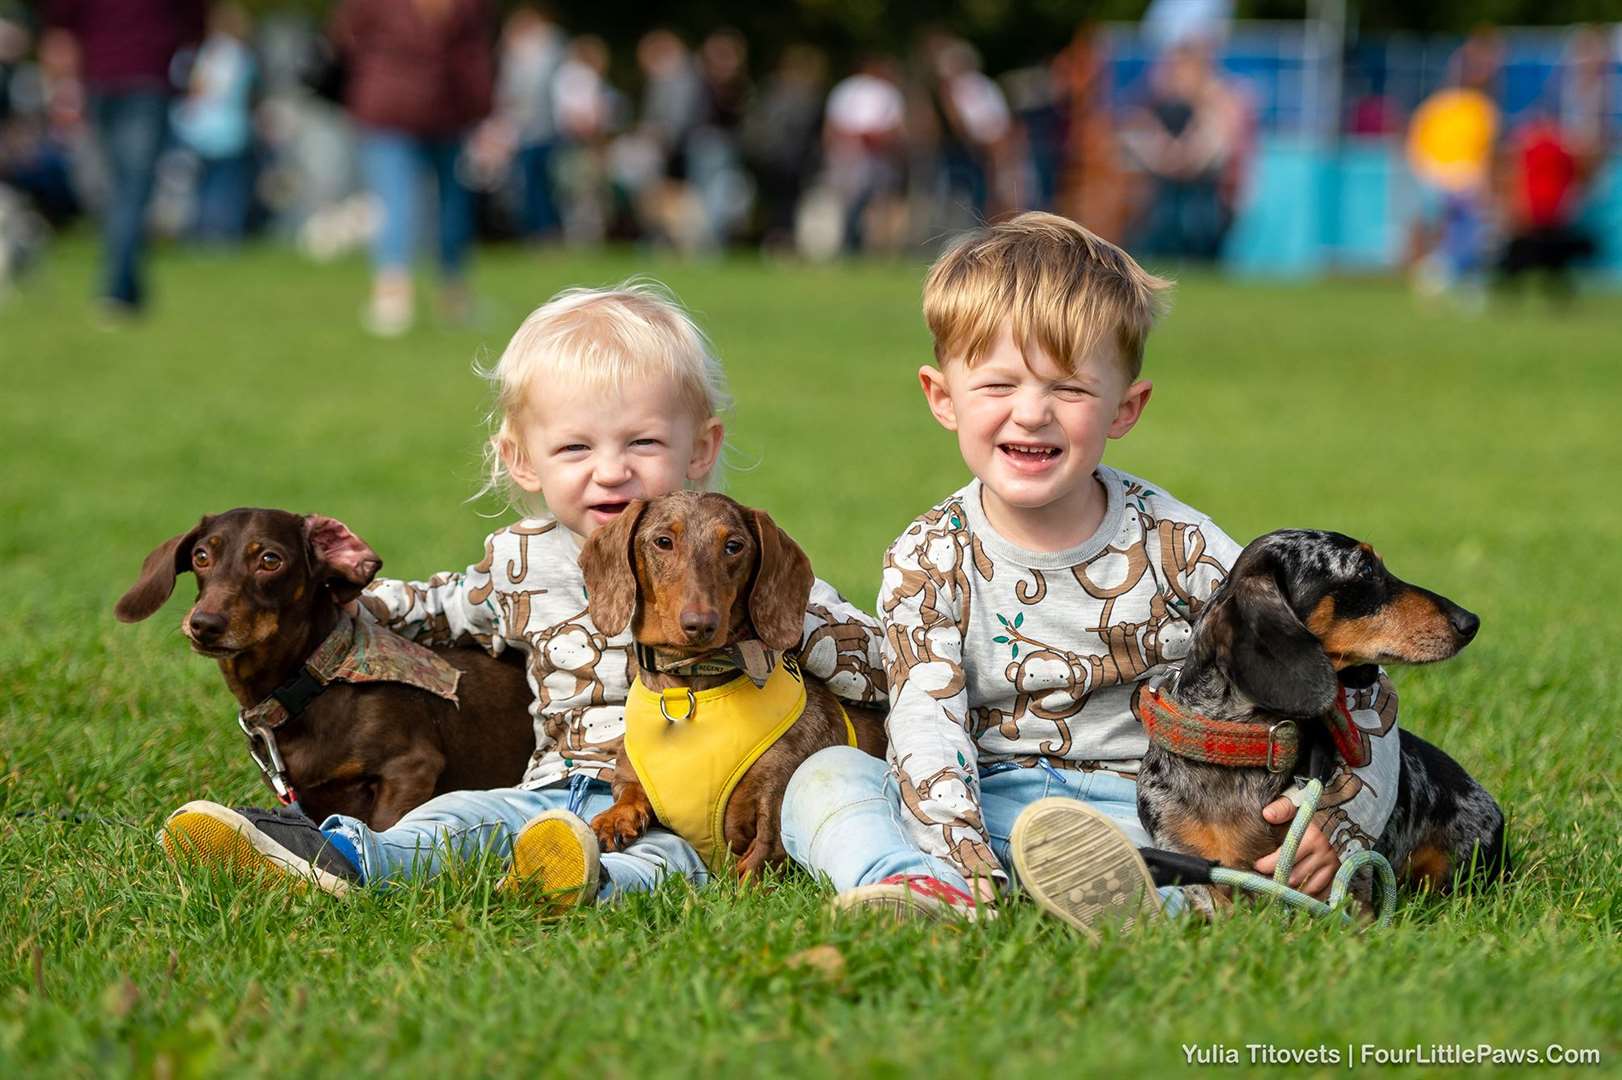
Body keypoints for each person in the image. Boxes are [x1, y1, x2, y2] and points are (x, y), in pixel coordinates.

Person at [160, 282, 887, 909]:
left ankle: (584, 882)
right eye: (576, 449)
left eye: (642, 444)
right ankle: (343, 859)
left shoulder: (730, 565)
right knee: (467, 818)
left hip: (675, 806)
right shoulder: (520, 560)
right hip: (552, 783)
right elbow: (442, 604)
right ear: (522, 460)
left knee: (659, 865)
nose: (611, 473)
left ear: (699, 449)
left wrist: (843, 653)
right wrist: (344, 599)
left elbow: (859, 650)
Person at [781, 213, 1405, 929]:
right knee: (827, 780)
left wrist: (1339, 821)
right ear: (942, 397)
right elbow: (928, 726)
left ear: (1125, 408)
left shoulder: (1184, 549)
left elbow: (1361, 694)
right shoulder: (929, 557)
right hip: (983, 799)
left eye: (1070, 390)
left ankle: (1162, 906)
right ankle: (925, 894)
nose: (1032, 412)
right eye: (997, 385)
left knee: (1220, 850)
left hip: (1141, 810)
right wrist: (963, 860)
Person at [329, 0, 493, 336]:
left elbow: (346, 37)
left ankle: (418, 295)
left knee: (426, 205)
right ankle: (424, 296)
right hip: (410, 110)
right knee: (419, 203)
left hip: (424, 110)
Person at [43, 0, 205, 315]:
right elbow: (194, 19)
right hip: (141, 78)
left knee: (122, 187)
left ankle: (128, 286)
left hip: (105, 77)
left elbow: (62, 24)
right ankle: (117, 287)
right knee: (131, 188)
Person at [170, 1, 256, 243]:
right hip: (230, 130)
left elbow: (201, 86)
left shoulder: (212, 52)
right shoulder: (242, 54)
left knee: (206, 186)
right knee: (227, 188)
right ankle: (222, 233)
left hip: (204, 129)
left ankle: (208, 233)